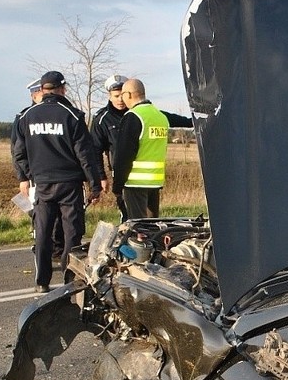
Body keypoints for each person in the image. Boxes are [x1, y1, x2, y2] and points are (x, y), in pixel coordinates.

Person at [12, 71, 102, 293]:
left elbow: (18, 152)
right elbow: (85, 154)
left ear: (42, 90)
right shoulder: (72, 115)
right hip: (70, 184)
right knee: (72, 233)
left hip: (41, 183)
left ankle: (42, 281)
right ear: (63, 89)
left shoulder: (27, 116)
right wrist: (95, 185)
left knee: (42, 232)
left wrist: (25, 176)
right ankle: (69, 280)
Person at [112, 78, 192, 219]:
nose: (122, 99)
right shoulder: (159, 116)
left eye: (123, 94)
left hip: (135, 183)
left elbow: (123, 156)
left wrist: (117, 186)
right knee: (152, 226)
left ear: (129, 94)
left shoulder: (133, 117)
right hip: (155, 183)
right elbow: (184, 121)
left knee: (137, 228)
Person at [11, 79, 65, 263]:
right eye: (42, 94)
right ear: (34, 95)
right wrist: (24, 177)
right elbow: (17, 150)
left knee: (59, 218)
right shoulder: (25, 116)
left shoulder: (58, 114)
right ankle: (43, 251)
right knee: (41, 219)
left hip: (59, 177)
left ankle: (57, 250)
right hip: (36, 178)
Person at [90, 74, 129, 221]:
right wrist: (101, 177)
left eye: (122, 95)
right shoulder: (102, 119)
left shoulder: (137, 113)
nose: (120, 100)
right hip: (120, 173)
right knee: (126, 211)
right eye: (116, 96)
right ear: (110, 96)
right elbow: (95, 151)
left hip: (143, 174)